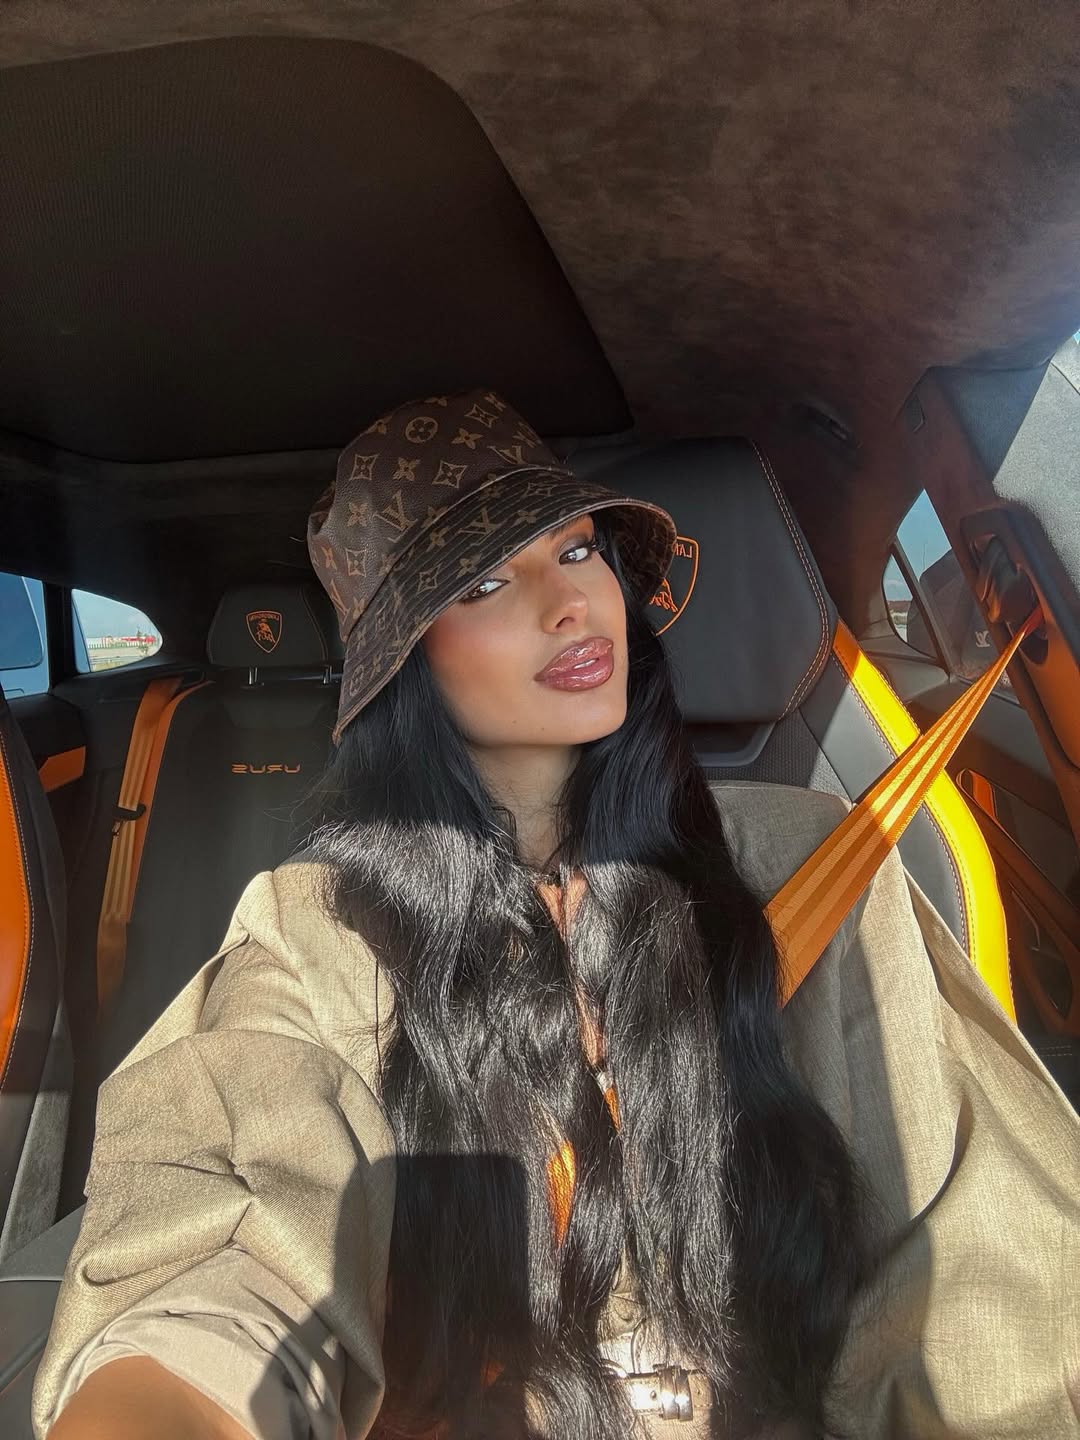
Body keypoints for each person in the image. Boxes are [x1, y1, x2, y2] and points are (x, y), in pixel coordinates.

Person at [33, 391, 1080, 1440]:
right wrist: (173, 1394)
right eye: (484, 582)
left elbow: (982, 1268)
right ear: (407, 661)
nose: (569, 602)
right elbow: (230, 1224)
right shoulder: (319, 925)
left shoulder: (814, 864)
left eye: (577, 550)